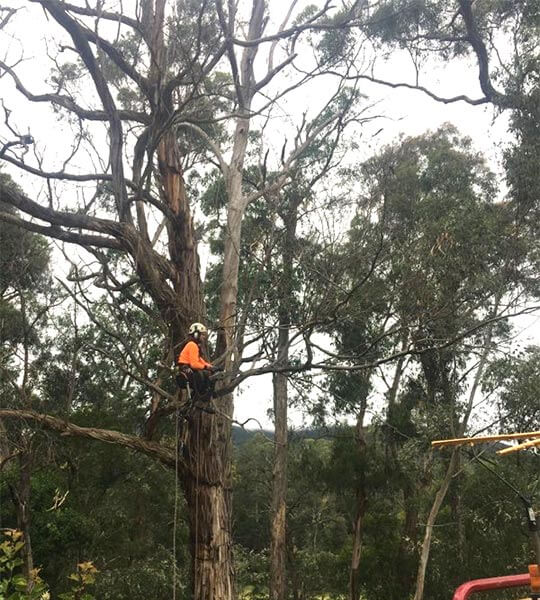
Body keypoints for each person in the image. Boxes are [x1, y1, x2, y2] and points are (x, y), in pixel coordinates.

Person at [177, 322, 217, 400]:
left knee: (206, 375)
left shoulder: (194, 346)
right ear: (196, 334)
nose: (204, 337)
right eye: (202, 335)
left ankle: (205, 395)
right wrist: (206, 367)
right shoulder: (192, 345)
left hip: (187, 371)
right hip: (185, 372)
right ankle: (202, 395)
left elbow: (200, 360)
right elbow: (194, 364)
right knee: (202, 375)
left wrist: (212, 367)